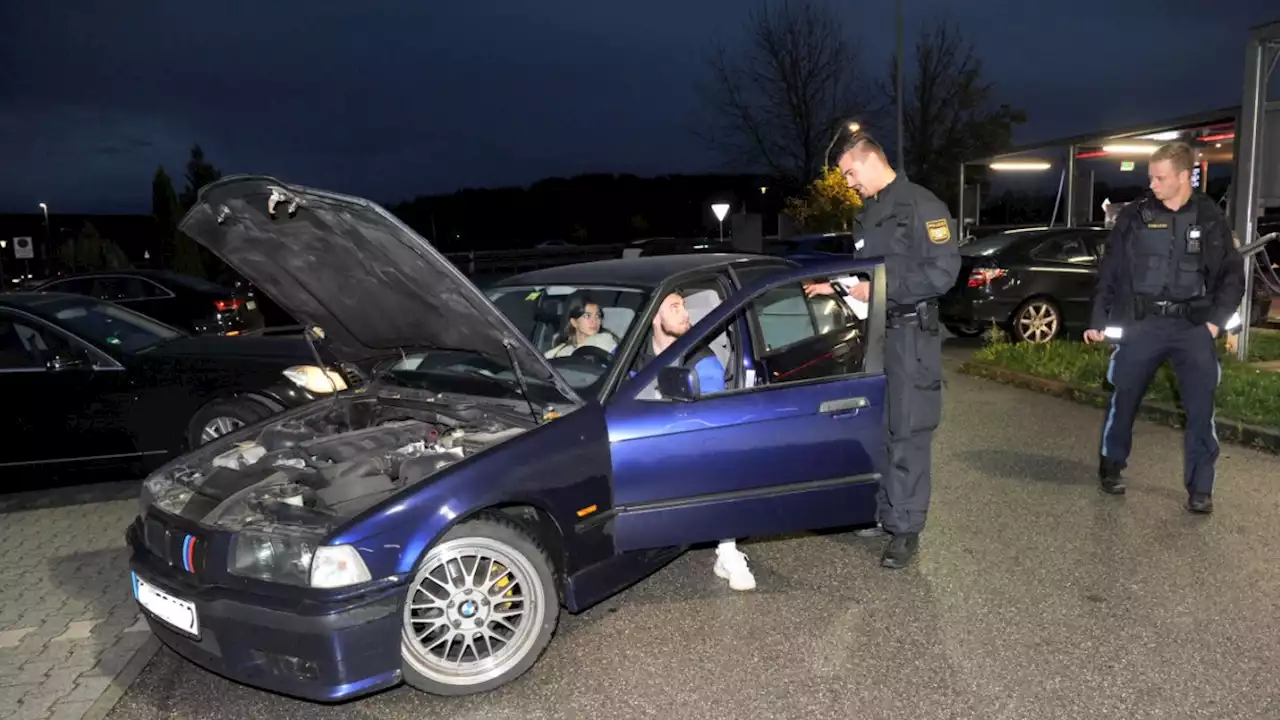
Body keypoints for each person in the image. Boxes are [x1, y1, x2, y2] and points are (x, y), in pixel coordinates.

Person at [803, 131, 960, 569]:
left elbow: (944, 272)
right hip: (875, 336)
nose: (849, 183)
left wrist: (882, 290)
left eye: (851, 173)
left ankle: (906, 530)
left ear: (871, 160)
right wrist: (835, 286)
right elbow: (865, 274)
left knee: (909, 431)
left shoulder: (921, 206)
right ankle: (886, 513)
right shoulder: (870, 211)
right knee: (882, 428)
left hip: (910, 335)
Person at [1083, 141, 1244, 513]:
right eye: (1151, 177)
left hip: (1193, 327)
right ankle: (1112, 464)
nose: (1152, 184)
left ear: (1184, 177)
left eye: (1160, 178)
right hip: (1144, 324)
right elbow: (1111, 270)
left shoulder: (1209, 217)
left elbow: (1231, 275)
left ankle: (1201, 488)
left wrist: (1215, 324)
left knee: (1201, 410)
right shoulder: (1135, 217)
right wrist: (1098, 318)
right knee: (1124, 399)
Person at [632, 290, 755, 591]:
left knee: (720, 462)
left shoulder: (703, 359)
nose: (686, 314)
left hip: (688, 444)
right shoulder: (634, 355)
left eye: (684, 306)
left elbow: (707, 422)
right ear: (654, 318)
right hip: (641, 443)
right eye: (675, 308)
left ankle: (726, 551)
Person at [545, 298, 618, 359]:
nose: (594, 321)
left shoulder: (607, 343)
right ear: (574, 322)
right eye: (587, 316)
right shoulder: (560, 352)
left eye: (598, 316)